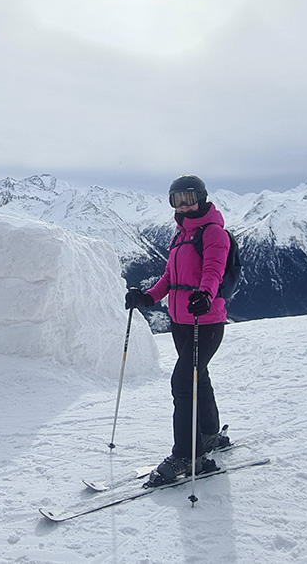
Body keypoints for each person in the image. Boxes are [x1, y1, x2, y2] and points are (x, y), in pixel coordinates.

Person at [125, 174, 233, 487]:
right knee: (200, 377)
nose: (183, 205)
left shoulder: (214, 233)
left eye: (188, 198)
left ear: (201, 197)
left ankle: (189, 455)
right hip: (181, 323)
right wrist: (146, 297)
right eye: (177, 199)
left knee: (183, 384)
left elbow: (214, 270)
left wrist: (206, 295)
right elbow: (169, 278)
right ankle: (209, 433)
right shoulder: (180, 235)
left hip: (206, 321)